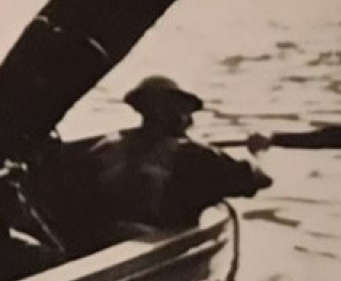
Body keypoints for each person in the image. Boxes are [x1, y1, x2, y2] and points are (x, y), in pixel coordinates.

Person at [88, 76, 272, 232]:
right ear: (173, 115)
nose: (190, 121)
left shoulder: (105, 146)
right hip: (150, 240)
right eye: (185, 112)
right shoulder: (194, 155)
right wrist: (258, 153)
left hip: (104, 236)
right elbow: (260, 180)